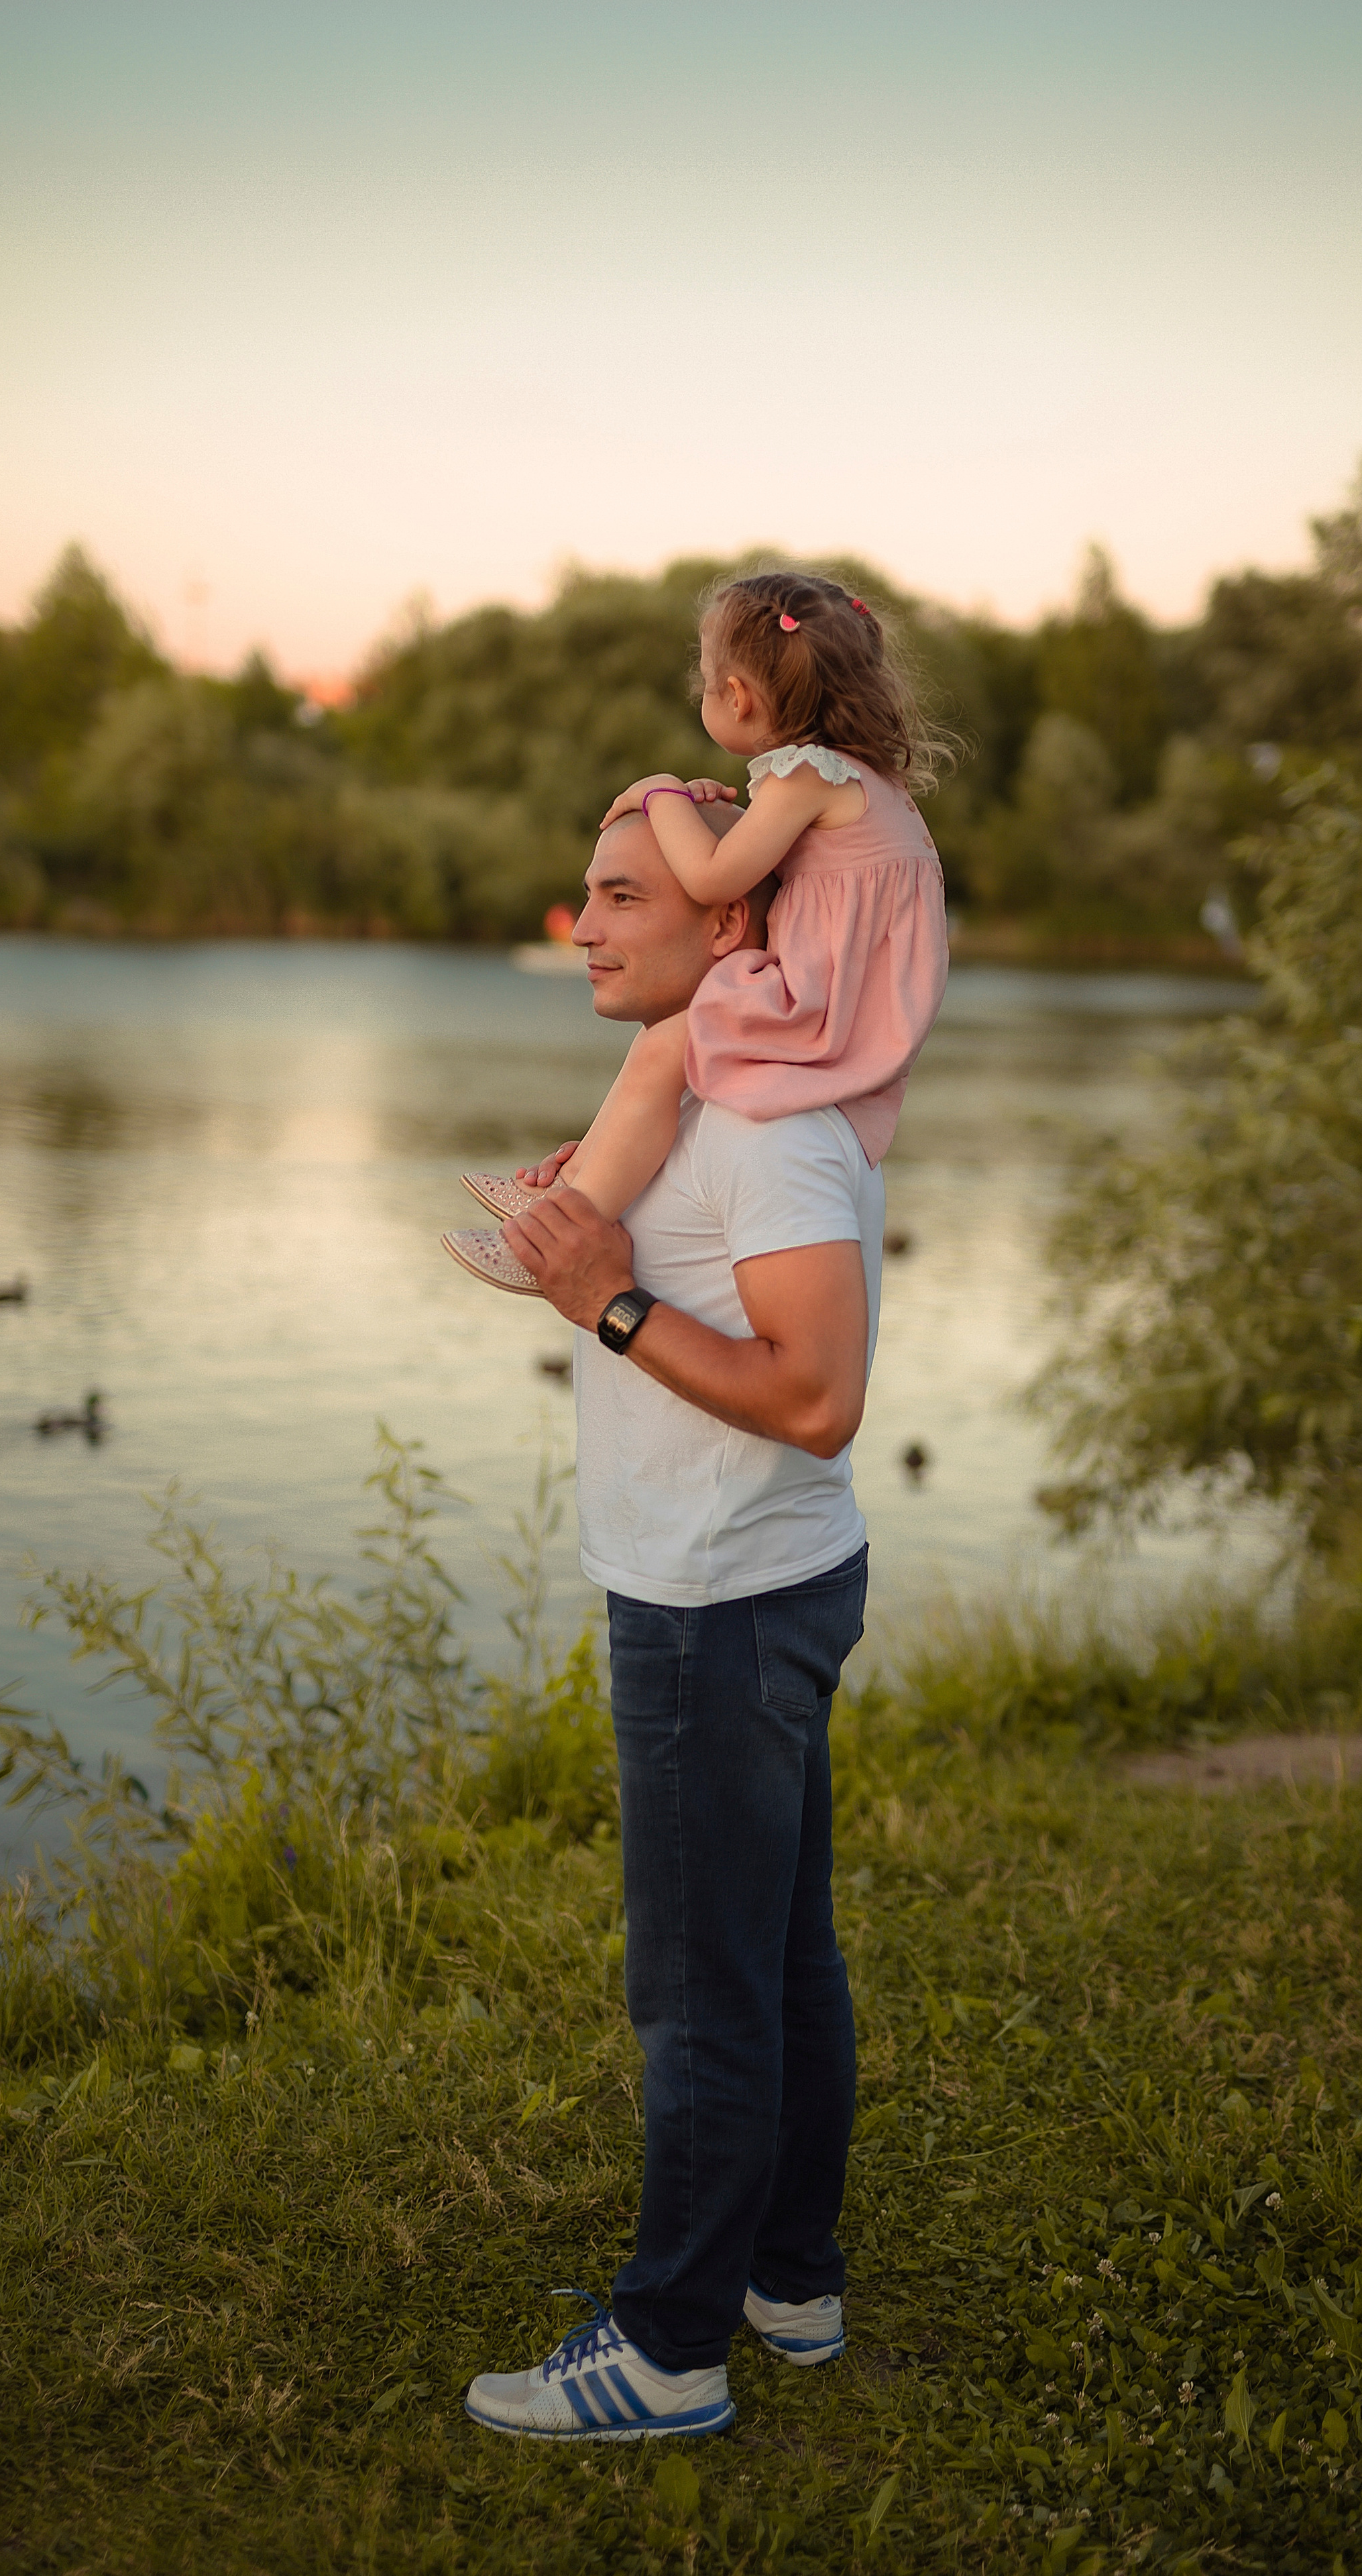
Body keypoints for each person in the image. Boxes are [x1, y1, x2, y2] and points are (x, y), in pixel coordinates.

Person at [463, 796, 885, 2441]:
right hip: (744, 1579)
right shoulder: (706, 1091)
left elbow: (820, 1395)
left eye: (620, 895)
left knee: (701, 1983)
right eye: (584, 893)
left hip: (722, 1599)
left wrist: (609, 1300)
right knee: (775, 1954)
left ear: (728, 922)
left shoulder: (765, 1125)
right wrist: (587, 1233)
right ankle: (786, 2275)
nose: (582, 924)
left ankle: (667, 2348)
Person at [441, 569, 949, 1295]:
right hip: (853, 996)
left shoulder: (806, 778)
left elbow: (713, 879)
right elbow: (763, 866)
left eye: (706, 683)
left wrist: (659, 792)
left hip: (822, 1000)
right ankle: (578, 1183)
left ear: (736, 696)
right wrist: (694, 806)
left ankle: (559, 1231)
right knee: (670, 1052)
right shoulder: (860, 781)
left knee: (663, 1048)